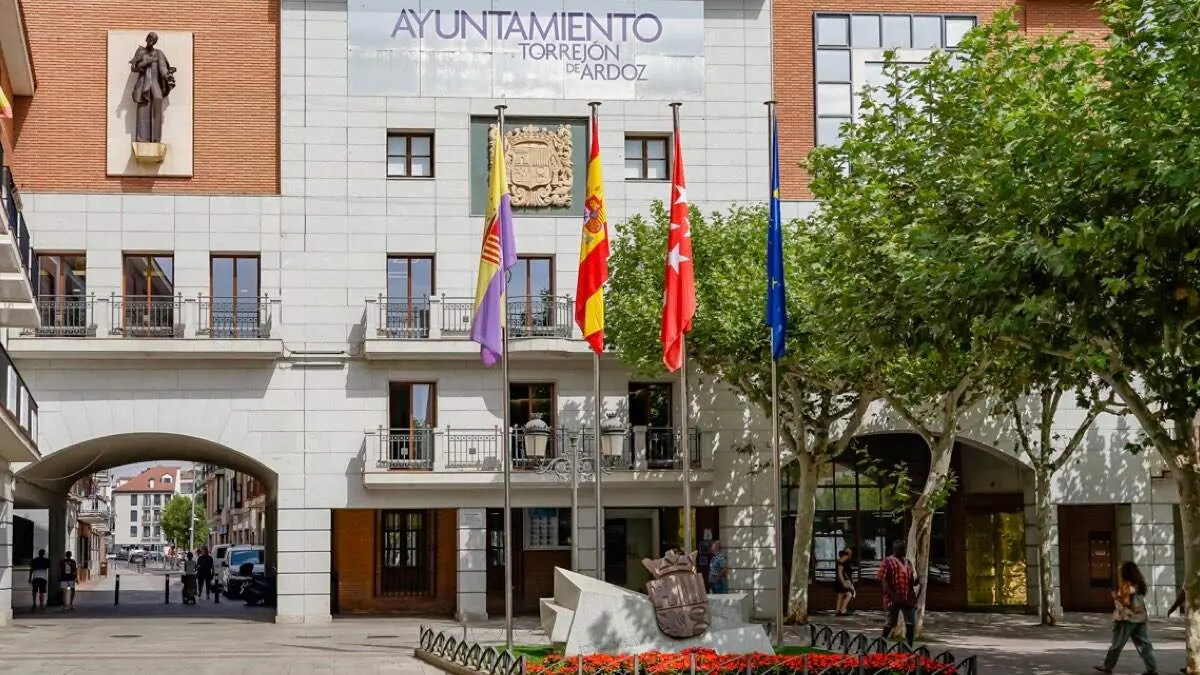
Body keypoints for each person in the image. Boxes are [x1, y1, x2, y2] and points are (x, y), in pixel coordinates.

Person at [1095, 561, 1158, 674]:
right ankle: (1152, 668)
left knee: (1117, 644)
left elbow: (1123, 601)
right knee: (1144, 644)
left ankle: (1108, 666)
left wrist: (1115, 597)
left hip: (1126, 618)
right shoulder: (1140, 585)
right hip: (1140, 618)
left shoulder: (1126, 586)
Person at [878, 541, 918, 646]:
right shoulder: (887, 561)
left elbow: (911, 580)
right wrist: (892, 595)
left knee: (910, 622)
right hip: (894, 597)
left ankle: (910, 646)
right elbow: (883, 581)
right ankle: (881, 643)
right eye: (902, 549)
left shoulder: (908, 562)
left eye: (904, 549)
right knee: (891, 621)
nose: (904, 551)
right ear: (896, 550)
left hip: (908, 597)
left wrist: (915, 581)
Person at [834, 548, 856, 616]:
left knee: (841, 595)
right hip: (844, 581)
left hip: (843, 580)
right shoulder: (842, 561)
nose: (850, 555)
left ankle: (838, 610)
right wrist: (844, 582)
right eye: (850, 554)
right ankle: (843, 609)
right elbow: (840, 573)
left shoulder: (845, 561)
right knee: (849, 594)